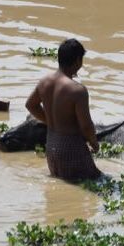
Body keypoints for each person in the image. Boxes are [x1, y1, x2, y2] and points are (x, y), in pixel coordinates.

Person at [25, 38, 101, 181]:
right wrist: (94, 143)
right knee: (95, 183)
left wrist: (49, 121)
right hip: (71, 148)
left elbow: (30, 105)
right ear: (78, 61)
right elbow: (86, 126)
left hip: (51, 145)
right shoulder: (78, 90)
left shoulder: (44, 82)